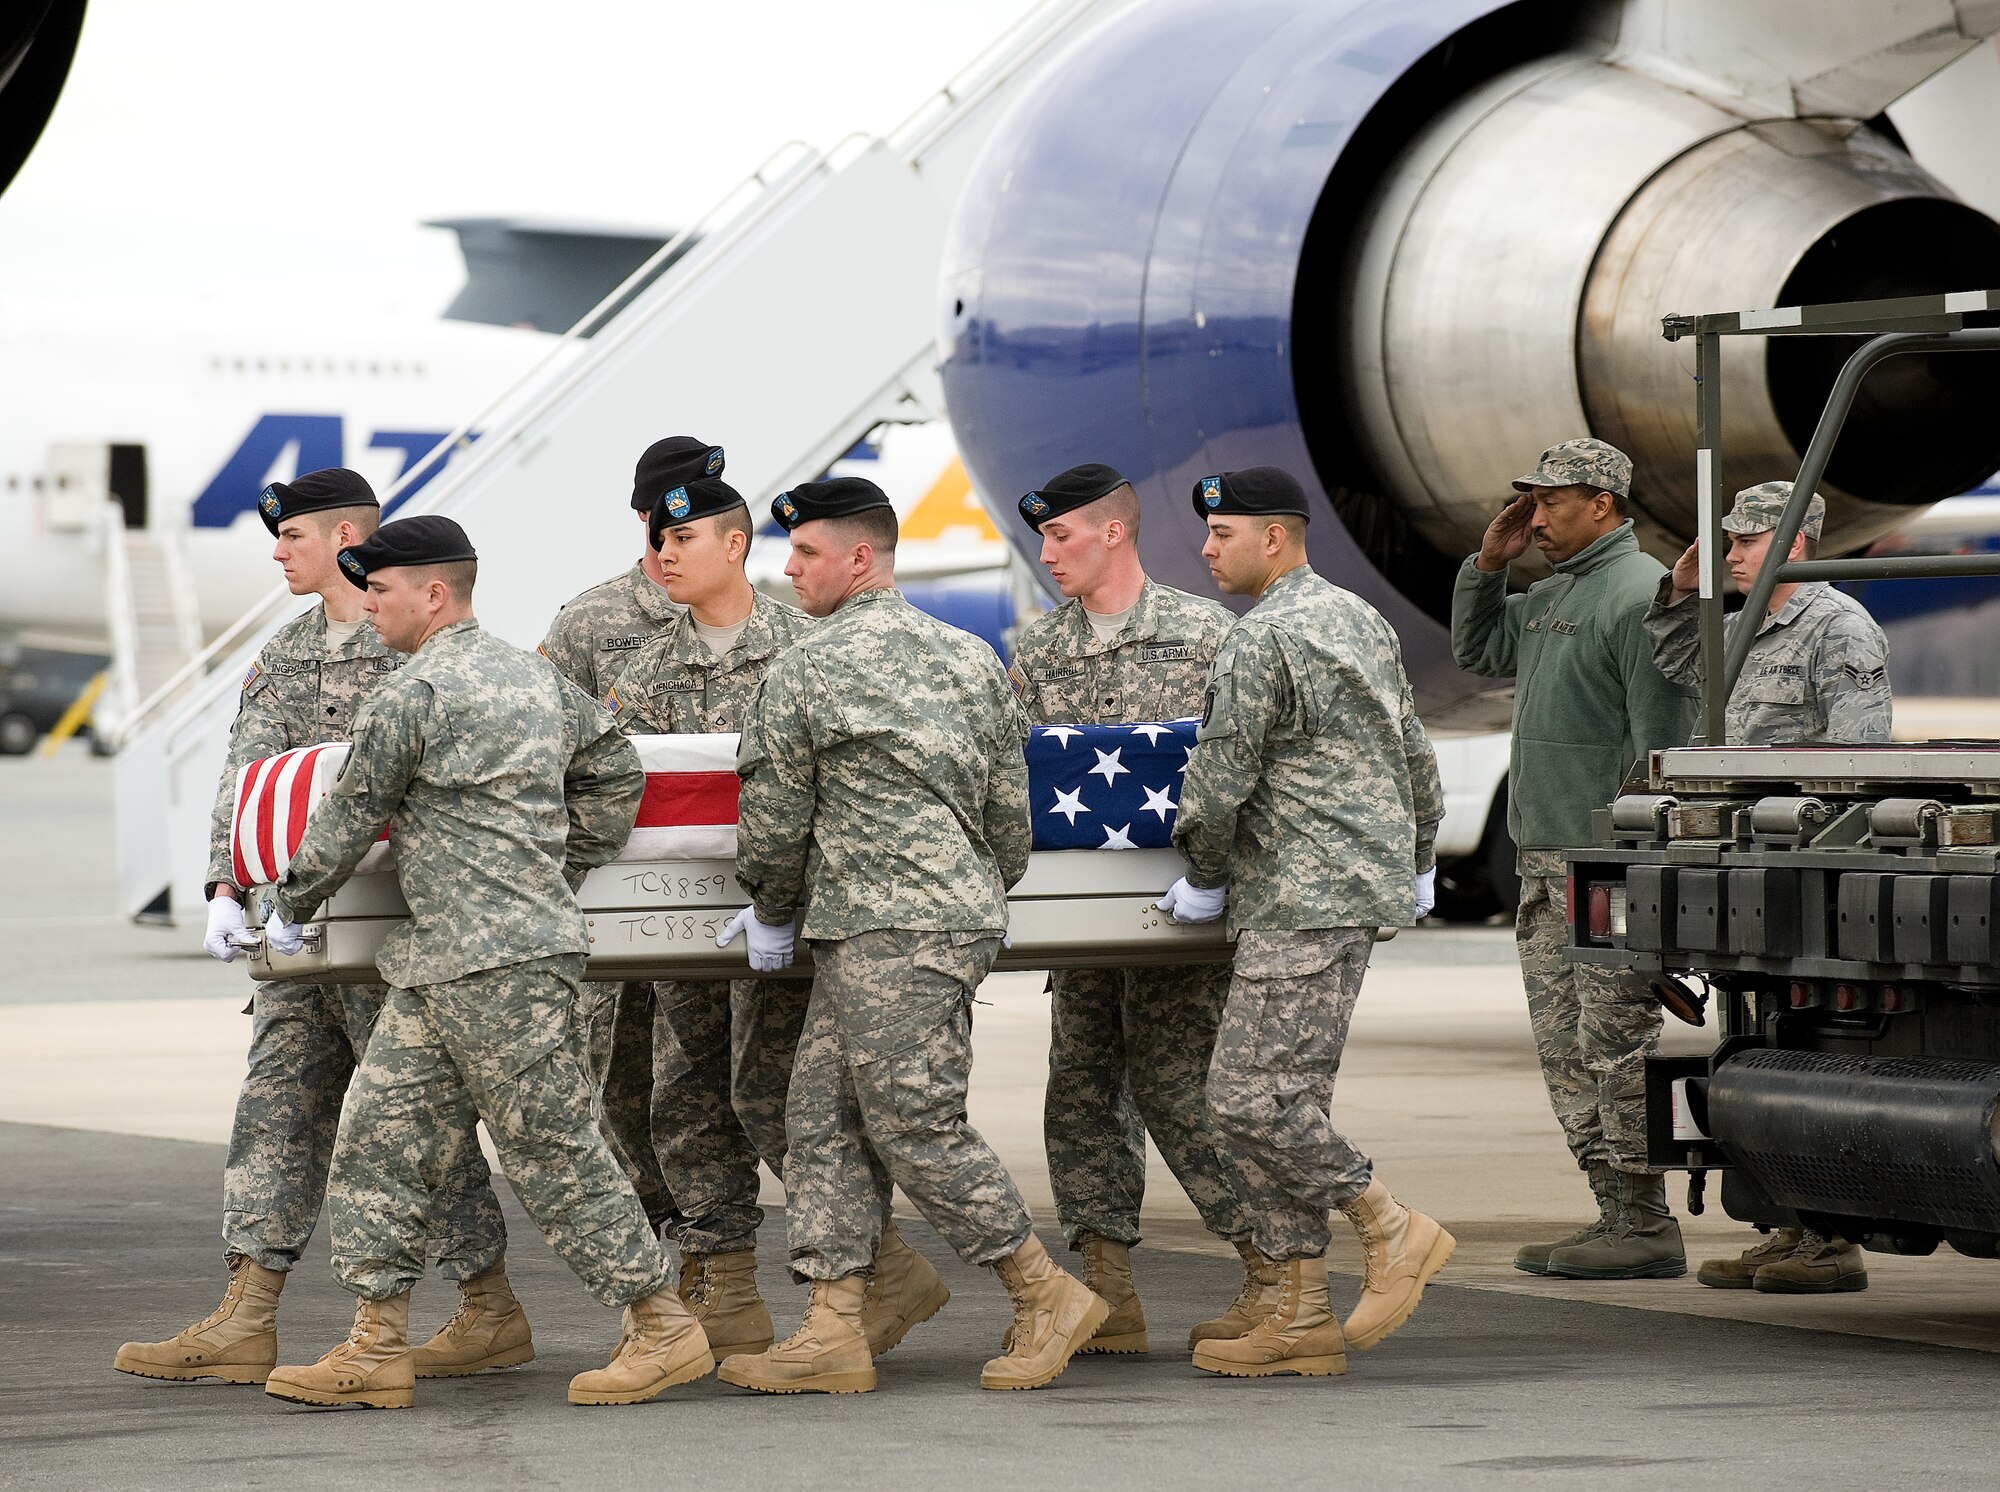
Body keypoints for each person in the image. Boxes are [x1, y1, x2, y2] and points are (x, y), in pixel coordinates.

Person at [258, 515, 710, 1409]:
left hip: (496, 970)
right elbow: (616, 766)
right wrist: (563, 860)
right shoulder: (534, 676)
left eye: (380, 590)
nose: (371, 606)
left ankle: (663, 1325)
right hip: (447, 966)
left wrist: (282, 906)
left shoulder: (413, 693)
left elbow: (351, 817)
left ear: (433, 593)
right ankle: (376, 1343)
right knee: (380, 1138)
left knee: (554, 1153)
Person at [115, 471, 518, 1390]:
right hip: (299, 939)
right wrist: (226, 885)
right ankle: (248, 1312)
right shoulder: (285, 655)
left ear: (346, 536)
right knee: (277, 1107)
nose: (277, 551)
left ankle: (488, 1304)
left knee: (420, 1126)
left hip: (397, 933)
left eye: (292, 535)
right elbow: (244, 775)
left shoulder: (422, 647)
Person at [716, 476, 1109, 1395]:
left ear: (860, 558)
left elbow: (774, 822)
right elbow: (1010, 819)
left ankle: (1042, 1290)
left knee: (913, 1121)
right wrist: (967, 889)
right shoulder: (973, 658)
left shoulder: (807, 667)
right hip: (937, 919)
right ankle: (833, 1322)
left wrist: (772, 906)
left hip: (885, 926)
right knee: (818, 1117)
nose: (791, 569)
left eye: (807, 553)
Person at [1165, 465, 1452, 1379]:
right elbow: (1412, 746)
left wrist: (1202, 873)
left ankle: (1390, 1225)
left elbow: (1219, 781)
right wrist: (1418, 856)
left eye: (1223, 535)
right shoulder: (1359, 619)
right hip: (1341, 889)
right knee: (1283, 1100)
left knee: (1248, 1099)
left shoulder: (1264, 639)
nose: (1208, 550)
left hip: (1300, 893)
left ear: (1275, 539)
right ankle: (1299, 1313)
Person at [1008, 462, 1257, 1353]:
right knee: (1079, 1086)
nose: (1048, 554)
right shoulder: (1039, 651)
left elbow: (1237, 767)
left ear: (1113, 531)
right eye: (1041, 537)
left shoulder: (1204, 635)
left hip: (1181, 917)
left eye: (1061, 535)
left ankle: (1271, 1267)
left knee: (1181, 1089)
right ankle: (1105, 1286)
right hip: (1079, 921)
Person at [1452, 438, 1694, 1281]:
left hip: (1606, 866)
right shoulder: (1558, 591)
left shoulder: (1639, 595)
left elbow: (1662, 743)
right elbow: (1480, 653)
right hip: (1548, 861)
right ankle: (1616, 1211)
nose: (1537, 515)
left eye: (1552, 501)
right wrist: (1488, 565)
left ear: (1603, 503)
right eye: (1534, 500)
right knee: (1565, 1045)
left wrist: (1627, 857)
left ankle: (1644, 1221)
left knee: (1613, 1040)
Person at [1647, 480, 1888, 1296]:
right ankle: (1788, 1225)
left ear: (1798, 544)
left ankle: (1829, 1240)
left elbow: (1862, 762)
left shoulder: (1839, 627)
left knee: (1811, 1050)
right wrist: (1681, 592)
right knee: (1754, 1047)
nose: (1732, 553)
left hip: (1797, 874)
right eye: (1730, 539)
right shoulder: (1741, 619)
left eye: (1748, 540)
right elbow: (1676, 665)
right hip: (1741, 871)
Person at [539, 435, 724, 1231]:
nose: (680, 532)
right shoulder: (592, 620)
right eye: (671, 518)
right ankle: (660, 1224)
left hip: (720, 894)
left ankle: (712, 1243)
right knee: (614, 1079)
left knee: (710, 1080)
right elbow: (546, 744)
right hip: (616, 897)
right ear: (647, 519)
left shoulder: (770, 623)